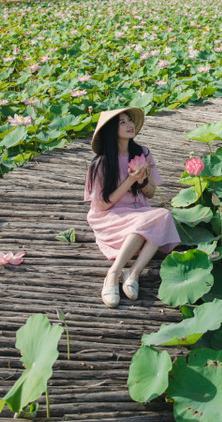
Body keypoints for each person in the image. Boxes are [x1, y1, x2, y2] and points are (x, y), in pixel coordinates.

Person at [84, 108, 180, 308]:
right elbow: (102, 204)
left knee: (163, 215)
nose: (129, 125)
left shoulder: (143, 154)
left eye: (129, 120)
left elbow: (151, 194)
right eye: (122, 122)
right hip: (109, 216)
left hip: (138, 211)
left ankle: (133, 273)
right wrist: (130, 180)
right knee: (145, 225)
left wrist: (143, 181)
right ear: (111, 130)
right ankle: (114, 273)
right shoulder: (101, 164)